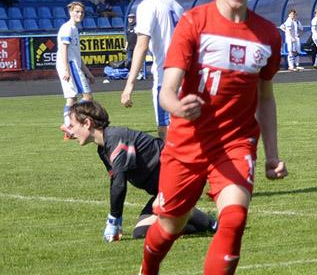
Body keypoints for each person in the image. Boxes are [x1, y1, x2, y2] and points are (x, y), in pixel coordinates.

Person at [132, 0, 287, 275]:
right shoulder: (194, 23)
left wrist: (273, 154)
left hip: (235, 144)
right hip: (187, 143)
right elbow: (168, 89)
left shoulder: (267, 36)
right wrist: (177, 106)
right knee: (170, 225)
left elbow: (266, 97)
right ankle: (148, 269)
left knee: (233, 220)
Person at [68, 101, 216, 242]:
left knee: (159, 207)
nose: (70, 132)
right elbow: (116, 180)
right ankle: (192, 220)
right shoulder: (103, 150)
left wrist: (114, 220)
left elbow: (119, 184)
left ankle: (209, 222)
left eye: (72, 125)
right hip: (162, 193)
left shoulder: (117, 139)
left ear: (87, 123)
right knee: (141, 232)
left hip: (181, 181)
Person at [120, 0, 185, 139]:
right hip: (185, 76)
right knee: (185, 133)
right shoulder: (174, 4)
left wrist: (129, 85)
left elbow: (141, 45)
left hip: (166, 79)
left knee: (166, 133)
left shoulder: (147, 5)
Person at [57, 1, 94, 138]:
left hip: (73, 65)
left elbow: (76, 54)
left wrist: (88, 73)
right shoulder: (67, 28)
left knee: (72, 98)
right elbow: (63, 49)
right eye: (77, 11)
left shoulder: (74, 29)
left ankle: (69, 126)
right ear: (70, 12)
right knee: (86, 97)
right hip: (69, 65)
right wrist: (66, 69)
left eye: (82, 12)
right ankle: (69, 125)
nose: (80, 14)